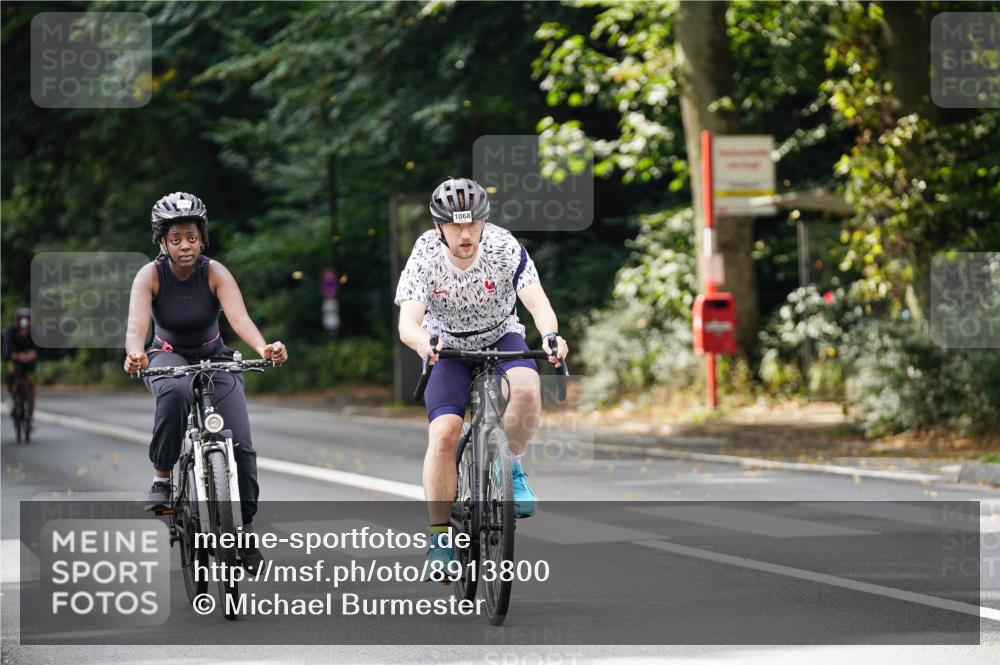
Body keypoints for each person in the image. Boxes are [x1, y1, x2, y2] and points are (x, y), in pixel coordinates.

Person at [395, 177, 569, 572]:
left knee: (526, 390)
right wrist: (424, 343)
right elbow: (408, 323)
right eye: (455, 225)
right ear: (439, 226)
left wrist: (551, 336)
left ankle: (511, 466)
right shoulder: (424, 254)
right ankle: (440, 538)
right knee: (443, 433)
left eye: (473, 223)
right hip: (448, 346)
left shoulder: (504, 246)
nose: (466, 232)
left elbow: (538, 303)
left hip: (500, 336)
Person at [123, 192, 287, 571]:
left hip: (214, 355)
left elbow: (239, 319)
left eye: (192, 237)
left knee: (241, 445)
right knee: (176, 391)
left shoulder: (215, 272)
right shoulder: (150, 275)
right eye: (176, 238)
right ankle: (163, 478)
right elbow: (136, 326)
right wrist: (136, 353)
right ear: (162, 241)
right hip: (166, 355)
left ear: (202, 238)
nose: (185, 246)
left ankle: (242, 531)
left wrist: (264, 348)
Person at [3, 307, 38, 422]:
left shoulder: (35, 332)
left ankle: (30, 412)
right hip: (16, 361)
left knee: (31, 385)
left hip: (29, 363)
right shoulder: (10, 331)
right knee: (10, 374)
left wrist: (32, 354)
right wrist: (15, 355)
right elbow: (7, 349)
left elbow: (38, 347)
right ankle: (14, 398)